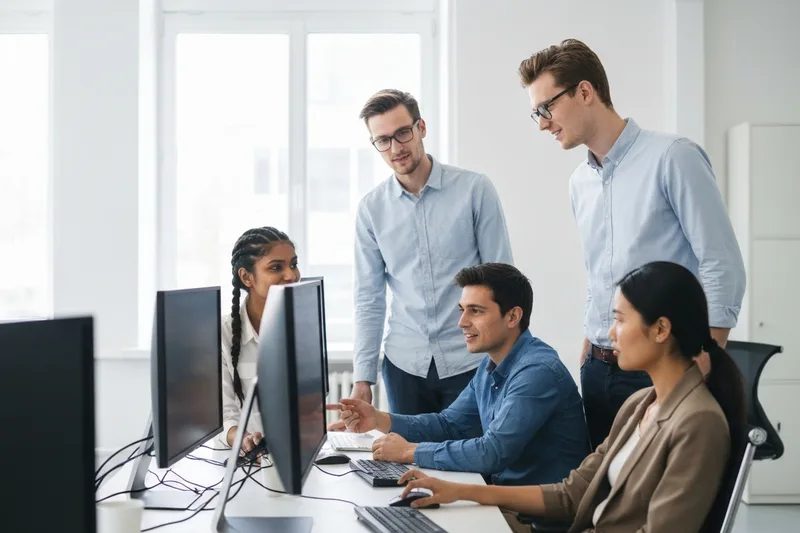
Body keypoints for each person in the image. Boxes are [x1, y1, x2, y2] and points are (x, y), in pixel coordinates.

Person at [396, 262, 747, 533]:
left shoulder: (698, 422)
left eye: (620, 320)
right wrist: (460, 491)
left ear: (660, 329)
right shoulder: (639, 404)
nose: (610, 334)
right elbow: (570, 494)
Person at [517, 39, 746, 449]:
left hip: (665, 366)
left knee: (662, 489)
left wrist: (705, 356)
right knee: (602, 486)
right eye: (536, 113)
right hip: (599, 368)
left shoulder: (673, 157)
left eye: (546, 108)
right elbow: (599, 270)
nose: (542, 124)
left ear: (584, 92)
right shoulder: (579, 183)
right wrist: (590, 343)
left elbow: (721, 261)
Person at [328, 263, 588, 487]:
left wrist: (409, 451)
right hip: (504, 501)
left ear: (512, 316)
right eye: (462, 310)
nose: (462, 322)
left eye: (476, 311)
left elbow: (492, 452)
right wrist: (378, 419)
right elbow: (449, 425)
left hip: (536, 519)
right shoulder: (490, 365)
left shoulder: (536, 372)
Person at [352, 89, 514, 415]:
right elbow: (369, 297)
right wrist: (363, 378)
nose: (396, 148)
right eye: (383, 140)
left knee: (475, 449)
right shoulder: (371, 210)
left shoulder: (474, 190)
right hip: (404, 367)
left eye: (403, 133)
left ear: (421, 127)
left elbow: (503, 279)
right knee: (406, 450)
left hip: (471, 361)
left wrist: (509, 356)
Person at [221, 226, 299, 453]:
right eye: (276, 267)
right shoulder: (221, 334)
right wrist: (242, 438)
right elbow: (223, 415)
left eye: (293, 264)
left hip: (291, 453)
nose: (291, 275)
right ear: (247, 277)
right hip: (242, 458)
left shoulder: (301, 327)